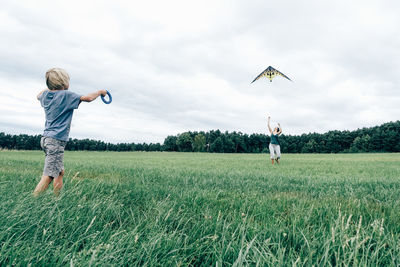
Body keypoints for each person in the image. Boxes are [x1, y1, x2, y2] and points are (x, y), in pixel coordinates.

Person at [33, 68, 107, 196]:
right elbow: (88, 98)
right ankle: (32, 202)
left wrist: (49, 87)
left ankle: (57, 198)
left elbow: (38, 95)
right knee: (49, 175)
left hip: (46, 139)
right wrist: (100, 92)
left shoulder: (45, 96)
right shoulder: (66, 95)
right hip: (56, 140)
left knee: (59, 172)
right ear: (64, 83)